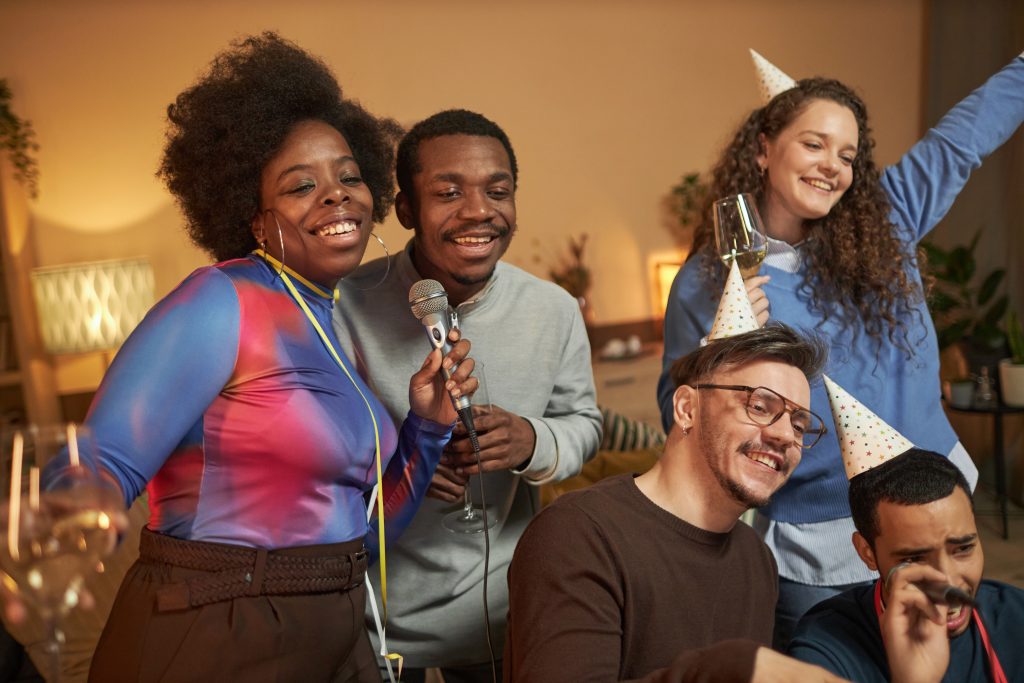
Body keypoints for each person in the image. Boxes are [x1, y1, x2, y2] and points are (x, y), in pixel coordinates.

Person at [54, 33, 476, 682]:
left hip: (332, 624)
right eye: (301, 184)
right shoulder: (221, 299)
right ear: (254, 217)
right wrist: (78, 511)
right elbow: (102, 461)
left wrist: (428, 423)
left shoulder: (328, 321)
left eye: (348, 175)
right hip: (220, 627)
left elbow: (363, 533)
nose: (336, 195)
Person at [658, 51, 1024, 646]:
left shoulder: (889, 216)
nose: (832, 166)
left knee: (940, 659)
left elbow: (968, 133)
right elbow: (676, 417)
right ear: (764, 148)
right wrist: (718, 347)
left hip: (933, 511)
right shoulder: (708, 280)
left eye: (848, 154)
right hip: (817, 544)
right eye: (814, 144)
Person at [333, 108, 602, 681]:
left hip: (509, 615)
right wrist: (403, 470)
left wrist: (533, 439)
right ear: (405, 208)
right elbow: (316, 456)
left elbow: (585, 424)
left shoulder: (554, 310)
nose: (479, 210)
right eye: (449, 192)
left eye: (497, 191)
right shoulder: (343, 306)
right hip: (376, 621)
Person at [505, 325, 846, 682]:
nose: (783, 436)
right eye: (760, 406)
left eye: (798, 424)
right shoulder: (578, 536)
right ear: (686, 409)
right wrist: (732, 668)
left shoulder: (756, 559)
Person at [789, 448, 1024, 682]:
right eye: (914, 560)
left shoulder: (1015, 615)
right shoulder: (825, 648)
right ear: (867, 553)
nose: (949, 581)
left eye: (963, 549)